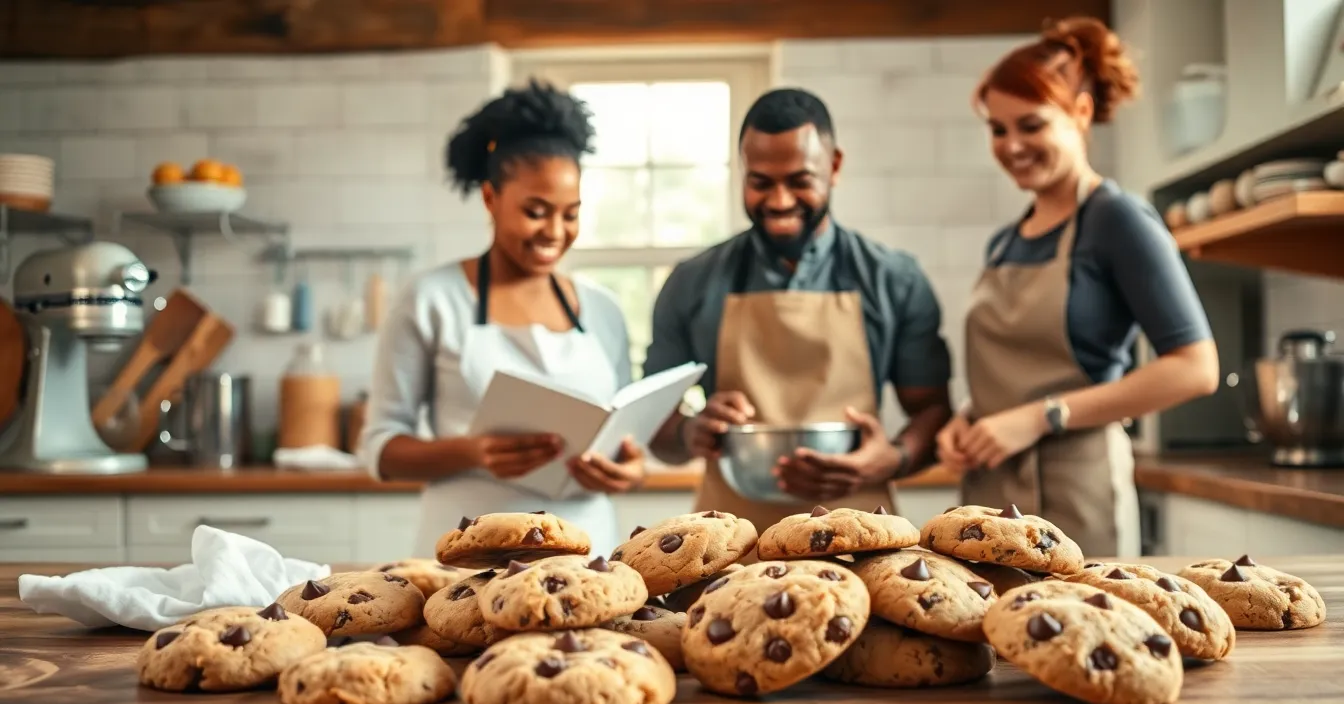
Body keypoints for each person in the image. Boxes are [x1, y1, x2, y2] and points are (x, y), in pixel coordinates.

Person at [936, 17, 1220, 557]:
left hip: (1076, 498)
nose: (1012, 145)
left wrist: (1042, 416)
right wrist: (966, 418)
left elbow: (1196, 366)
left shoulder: (1117, 220)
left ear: (1081, 114)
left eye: (1031, 125)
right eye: (999, 129)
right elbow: (1017, 373)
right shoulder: (1004, 241)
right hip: (988, 498)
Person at [644, 87, 954, 532]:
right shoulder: (692, 282)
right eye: (760, 183)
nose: (780, 201)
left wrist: (891, 458)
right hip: (730, 546)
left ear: (835, 166)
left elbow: (933, 411)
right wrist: (690, 432)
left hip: (859, 539)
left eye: (799, 181)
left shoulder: (894, 278)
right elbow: (656, 425)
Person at [359, 80, 644, 558]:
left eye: (570, 214)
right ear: (491, 198)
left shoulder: (603, 309)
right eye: (535, 212)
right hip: (466, 559)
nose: (555, 232)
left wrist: (631, 471)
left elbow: (624, 439)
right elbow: (380, 450)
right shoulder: (432, 298)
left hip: (588, 554)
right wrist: (473, 453)